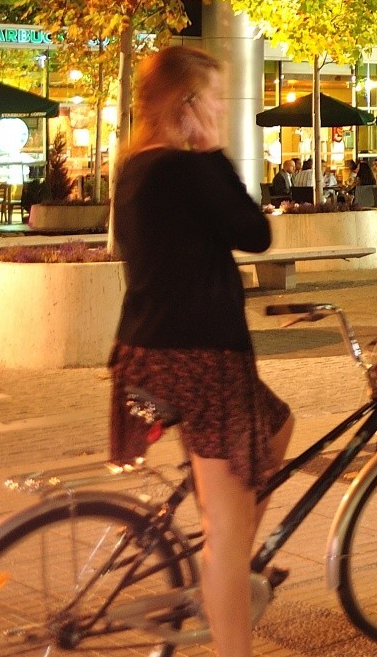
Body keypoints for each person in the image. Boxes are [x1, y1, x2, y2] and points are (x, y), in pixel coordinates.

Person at [107, 47, 289, 657]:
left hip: (144, 353)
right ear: (186, 107)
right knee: (227, 548)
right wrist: (214, 152)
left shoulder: (134, 168)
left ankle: (225, 548)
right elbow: (255, 233)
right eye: (212, 99)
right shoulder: (186, 171)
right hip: (203, 362)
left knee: (279, 423)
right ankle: (226, 573)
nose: (220, 109)